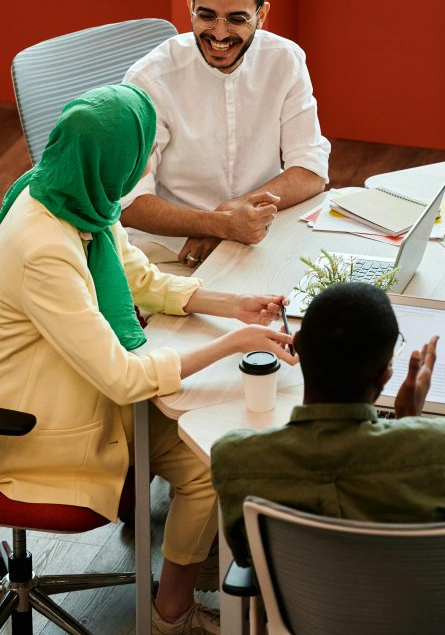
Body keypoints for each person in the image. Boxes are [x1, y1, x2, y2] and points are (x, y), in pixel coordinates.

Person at [0, 84, 297, 635]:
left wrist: (235, 308)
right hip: (42, 423)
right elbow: (121, 375)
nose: (136, 179)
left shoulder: (76, 192)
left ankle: (171, 605)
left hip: (83, 383)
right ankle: (172, 615)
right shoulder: (42, 247)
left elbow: (138, 275)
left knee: (212, 458)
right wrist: (233, 346)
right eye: (136, 163)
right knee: (210, 463)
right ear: (112, 161)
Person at [211, 281, 445, 567]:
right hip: (409, 610)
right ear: (385, 375)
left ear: (297, 346)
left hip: (301, 611)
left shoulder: (235, 460)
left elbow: (245, 556)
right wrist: (409, 425)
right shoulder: (440, 448)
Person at [120, 0, 330, 269]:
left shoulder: (286, 61)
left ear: (261, 16)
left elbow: (311, 171)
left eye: (236, 19)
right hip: (174, 249)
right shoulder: (148, 81)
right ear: (190, 6)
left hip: (264, 231)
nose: (219, 33)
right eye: (206, 15)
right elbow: (130, 204)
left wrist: (228, 218)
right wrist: (218, 225)